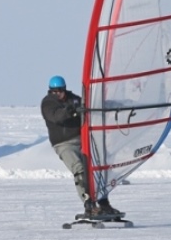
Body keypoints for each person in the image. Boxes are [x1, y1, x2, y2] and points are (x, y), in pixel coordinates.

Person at [40, 75, 121, 218]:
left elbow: (89, 105)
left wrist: (110, 105)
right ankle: (89, 205)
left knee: (97, 170)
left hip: (82, 140)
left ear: (64, 89)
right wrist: (72, 110)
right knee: (79, 170)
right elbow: (57, 116)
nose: (57, 94)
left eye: (59, 91)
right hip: (63, 144)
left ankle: (103, 203)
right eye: (54, 91)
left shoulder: (74, 99)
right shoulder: (48, 103)